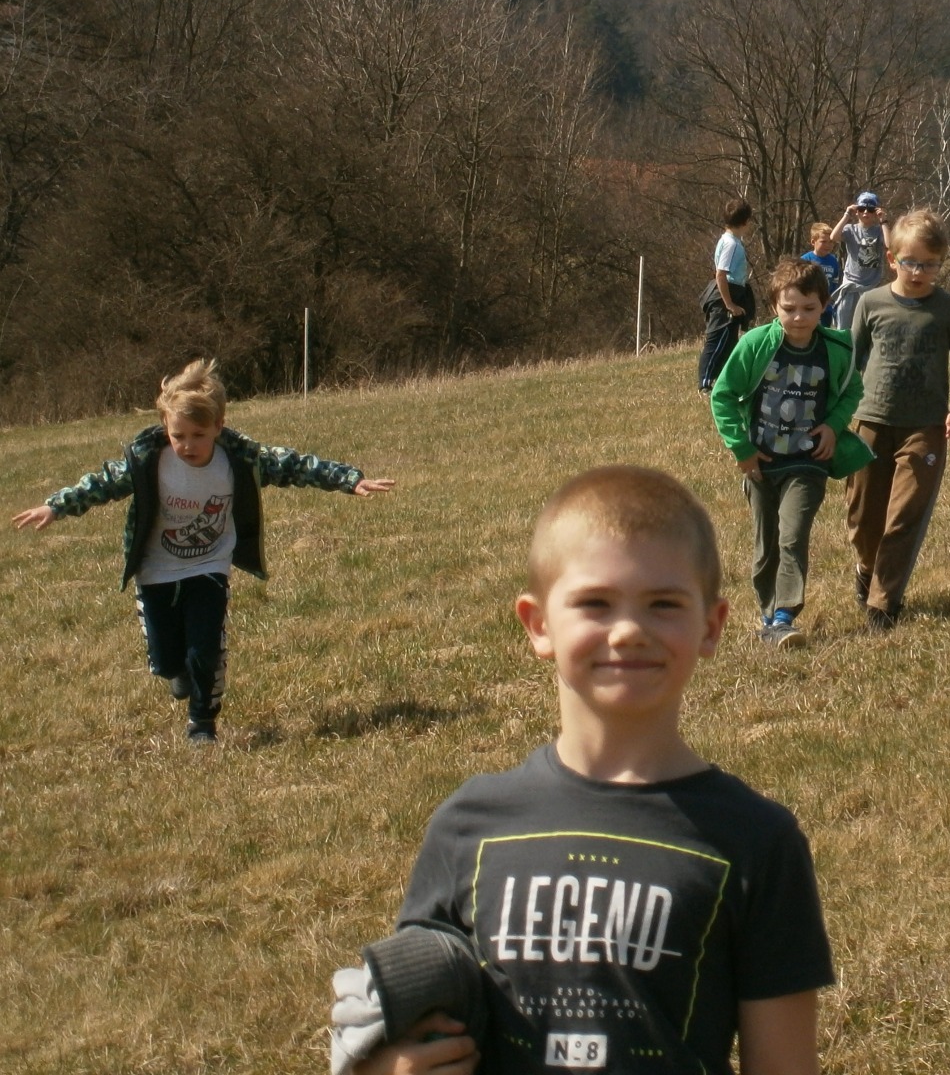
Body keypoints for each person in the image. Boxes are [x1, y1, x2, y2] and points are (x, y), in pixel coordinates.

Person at [330, 466, 833, 1075]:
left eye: (664, 604)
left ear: (711, 626)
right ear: (538, 624)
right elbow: (416, 1013)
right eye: (595, 603)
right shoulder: (469, 826)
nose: (629, 631)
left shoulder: (757, 841)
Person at [11, 358, 392, 745]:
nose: (188, 445)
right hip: (156, 570)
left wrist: (350, 480)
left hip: (209, 567)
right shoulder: (148, 460)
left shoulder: (239, 460)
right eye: (178, 435)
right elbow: (103, 482)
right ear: (165, 427)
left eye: (198, 435)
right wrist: (56, 506)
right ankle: (176, 671)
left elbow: (295, 465)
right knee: (165, 660)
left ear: (218, 426)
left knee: (206, 650)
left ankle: (202, 724)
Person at [710, 258, 873, 647]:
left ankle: (785, 615)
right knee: (766, 546)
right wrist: (742, 449)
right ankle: (769, 618)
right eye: (789, 308)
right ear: (774, 307)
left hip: (807, 462)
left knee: (793, 534)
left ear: (825, 305)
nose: (799, 317)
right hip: (761, 464)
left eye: (809, 308)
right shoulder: (755, 345)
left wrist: (833, 426)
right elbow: (723, 395)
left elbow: (853, 389)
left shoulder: (836, 348)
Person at [845, 209, 950, 632]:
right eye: (911, 262)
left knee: (903, 516)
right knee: (864, 518)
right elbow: (850, 360)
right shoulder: (871, 302)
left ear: (941, 263)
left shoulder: (947, 308)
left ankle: (883, 604)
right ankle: (867, 567)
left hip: (924, 427)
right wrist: (837, 412)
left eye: (930, 264)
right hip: (871, 420)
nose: (919, 272)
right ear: (891, 259)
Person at [697, 199, 756, 394]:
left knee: (730, 342)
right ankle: (705, 383)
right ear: (745, 222)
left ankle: (726, 382)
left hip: (734, 293)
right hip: (724, 296)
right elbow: (721, 274)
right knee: (717, 340)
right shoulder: (731, 244)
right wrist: (729, 304)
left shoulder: (732, 240)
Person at [828, 192, 889, 330]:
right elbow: (833, 237)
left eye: (870, 210)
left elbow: (889, 244)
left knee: (866, 327)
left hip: (871, 286)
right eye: (861, 209)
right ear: (857, 212)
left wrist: (883, 221)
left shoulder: (879, 231)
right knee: (843, 325)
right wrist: (846, 215)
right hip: (850, 285)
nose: (865, 212)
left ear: (875, 212)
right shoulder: (851, 230)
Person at [798, 222, 843, 327]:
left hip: (827, 305)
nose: (828, 245)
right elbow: (800, 283)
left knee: (824, 330)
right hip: (810, 303)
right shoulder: (805, 260)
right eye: (823, 242)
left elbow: (835, 281)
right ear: (813, 242)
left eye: (831, 242)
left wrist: (831, 298)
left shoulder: (833, 260)